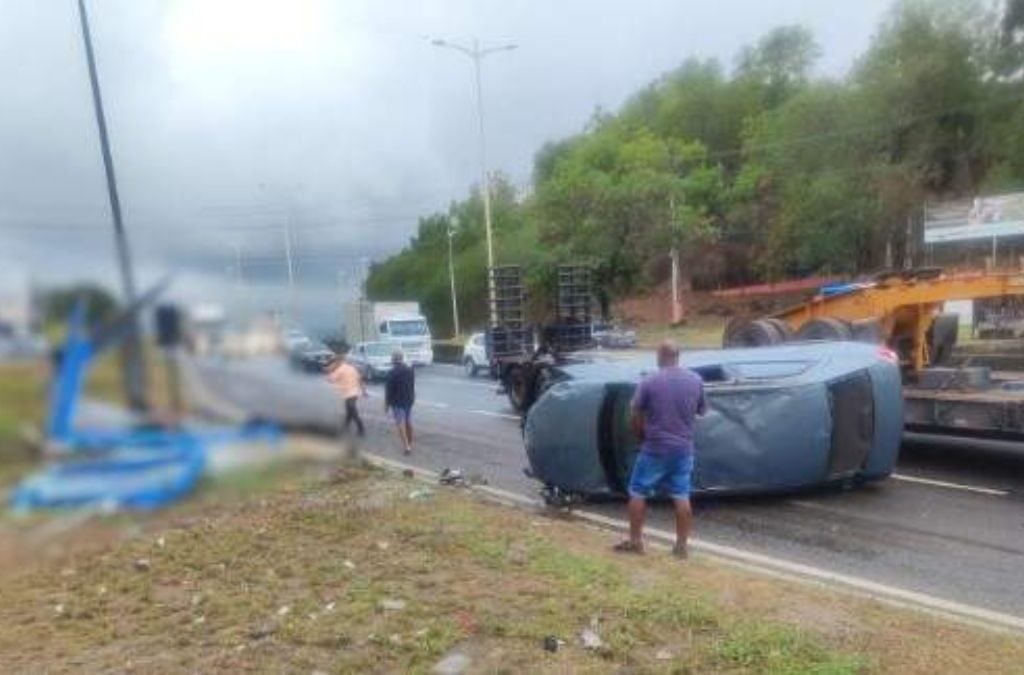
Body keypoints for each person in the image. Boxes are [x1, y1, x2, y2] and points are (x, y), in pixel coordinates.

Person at [615, 340, 706, 559]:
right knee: (681, 495)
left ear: (660, 356)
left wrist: (642, 436)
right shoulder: (695, 380)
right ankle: (681, 547)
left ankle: (636, 542)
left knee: (638, 491)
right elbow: (701, 411)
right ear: (678, 356)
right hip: (683, 449)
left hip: (654, 447)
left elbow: (635, 416)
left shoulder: (649, 381)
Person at [326, 352, 365, 437]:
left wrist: (329, 370)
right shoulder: (351, 368)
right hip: (355, 392)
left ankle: (361, 428)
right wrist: (364, 391)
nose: (334, 363)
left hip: (349, 393)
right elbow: (360, 379)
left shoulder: (340, 369)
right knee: (349, 411)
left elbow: (330, 380)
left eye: (335, 362)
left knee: (352, 411)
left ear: (338, 361)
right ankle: (345, 427)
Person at [384, 349, 415, 454]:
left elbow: (389, 391)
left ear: (393, 359)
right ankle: (410, 442)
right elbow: (412, 385)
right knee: (408, 421)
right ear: (401, 358)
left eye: (392, 357)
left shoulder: (392, 373)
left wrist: (386, 405)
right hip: (409, 400)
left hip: (397, 402)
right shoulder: (410, 370)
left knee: (400, 424)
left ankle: (407, 447)